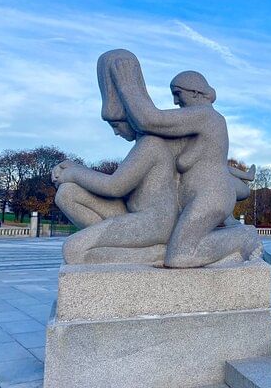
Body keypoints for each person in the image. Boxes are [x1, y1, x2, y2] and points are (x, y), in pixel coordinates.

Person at [109, 50, 259, 268]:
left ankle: (243, 237)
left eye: (178, 94)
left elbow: (151, 120)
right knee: (177, 251)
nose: (175, 101)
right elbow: (151, 134)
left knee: (180, 256)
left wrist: (128, 85)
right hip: (198, 196)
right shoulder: (194, 125)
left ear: (196, 92)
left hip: (212, 195)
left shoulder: (207, 116)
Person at [51, 54, 179, 265]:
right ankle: (108, 244)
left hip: (153, 223)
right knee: (67, 193)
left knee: (73, 250)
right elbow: (117, 183)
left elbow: (114, 186)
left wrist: (73, 172)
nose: (116, 133)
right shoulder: (142, 145)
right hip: (132, 215)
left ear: (130, 116)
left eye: (116, 125)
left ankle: (156, 254)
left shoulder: (151, 144)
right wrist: (74, 168)